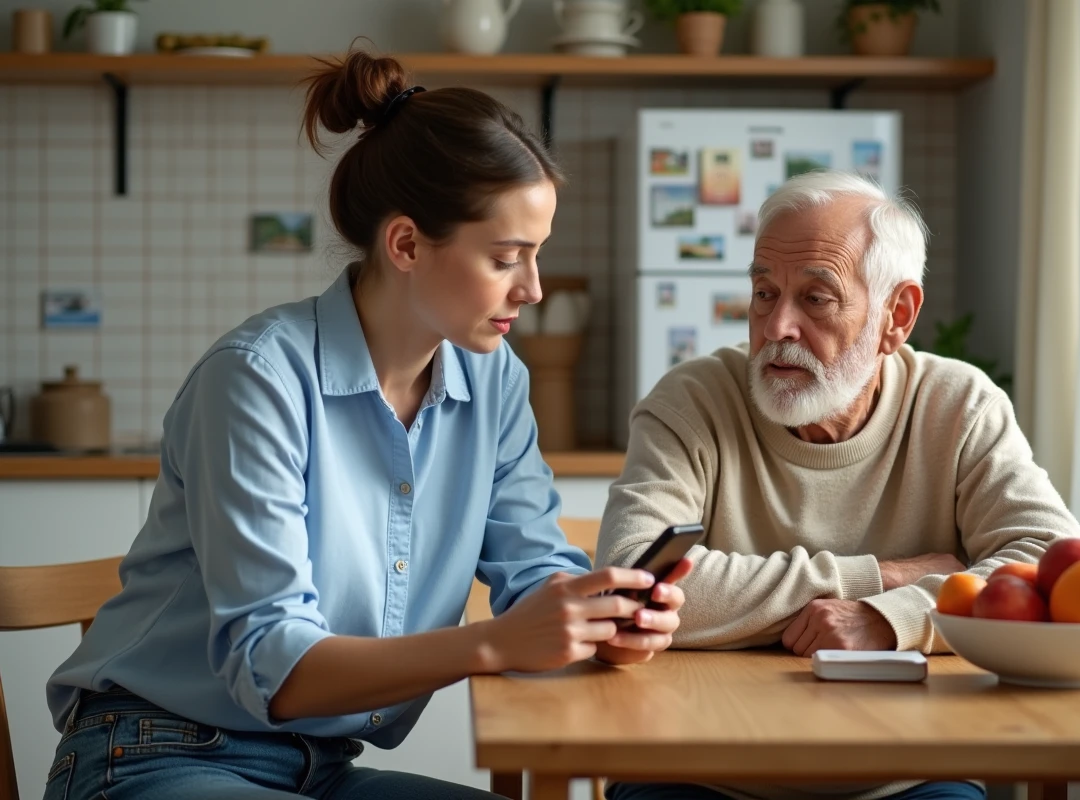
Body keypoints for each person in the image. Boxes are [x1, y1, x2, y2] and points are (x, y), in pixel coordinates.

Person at [41, 50, 691, 800]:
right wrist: (493, 644)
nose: (534, 288)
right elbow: (273, 666)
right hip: (155, 756)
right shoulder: (256, 380)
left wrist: (603, 622)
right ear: (407, 244)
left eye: (537, 256)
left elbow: (532, 570)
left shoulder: (496, 380)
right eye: (506, 257)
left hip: (320, 770)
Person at [596, 170, 1080, 800]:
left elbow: (1050, 568)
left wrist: (889, 619)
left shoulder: (958, 406)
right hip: (698, 769)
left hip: (908, 777)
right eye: (764, 293)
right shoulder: (692, 401)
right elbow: (631, 580)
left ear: (896, 316)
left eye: (816, 299)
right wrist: (884, 577)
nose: (776, 329)